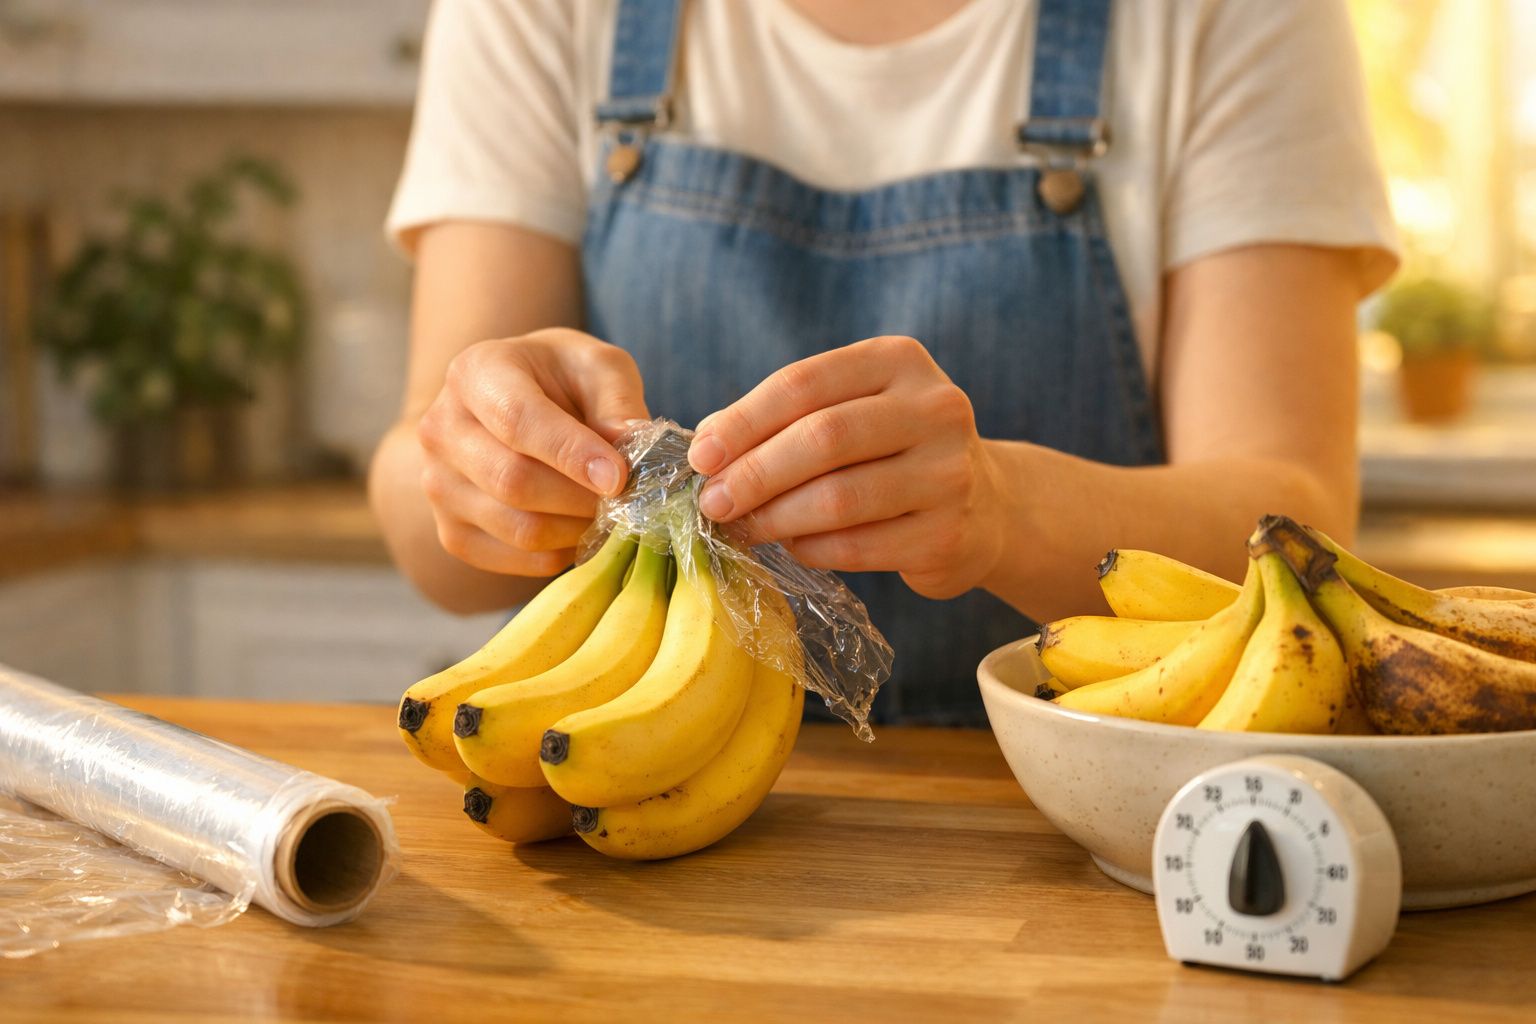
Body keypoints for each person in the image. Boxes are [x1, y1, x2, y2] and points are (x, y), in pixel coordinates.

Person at [372, 0, 1398, 725]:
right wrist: (487, 466)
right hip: (631, 792)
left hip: (1081, 836)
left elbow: (1297, 527)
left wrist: (1002, 505)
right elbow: (420, 529)